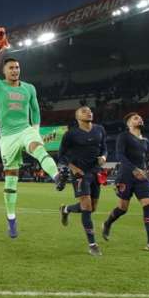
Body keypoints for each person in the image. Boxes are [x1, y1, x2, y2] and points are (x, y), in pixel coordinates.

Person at [0, 37, 62, 238]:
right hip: (7, 138)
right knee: (11, 181)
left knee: (37, 147)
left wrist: (36, 128)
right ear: (4, 71)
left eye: (17, 67)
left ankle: (57, 176)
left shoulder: (29, 88)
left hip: (25, 130)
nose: (15, 70)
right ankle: (12, 220)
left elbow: (35, 108)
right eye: (11, 68)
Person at [102, 112, 149, 252]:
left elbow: (142, 159)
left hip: (141, 178)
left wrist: (143, 169)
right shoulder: (123, 136)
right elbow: (119, 156)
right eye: (135, 118)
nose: (139, 119)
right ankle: (107, 223)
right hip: (125, 176)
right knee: (123, 208)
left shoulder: (146, 141)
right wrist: (134, 169)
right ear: (129, 123)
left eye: (140, 117)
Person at [58, 106, 108, 256]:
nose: (89, 112)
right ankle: (92, 244)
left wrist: (104, 157)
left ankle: (66, 209)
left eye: (90, 111)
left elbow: (104, 148)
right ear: (77, 117)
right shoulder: (70, 134)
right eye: (84, 111)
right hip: (80, 173)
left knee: (92, 208)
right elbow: (61, 156)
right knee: (86, 206)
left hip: (95, 172)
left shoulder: (100, 129)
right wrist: (72, 167)